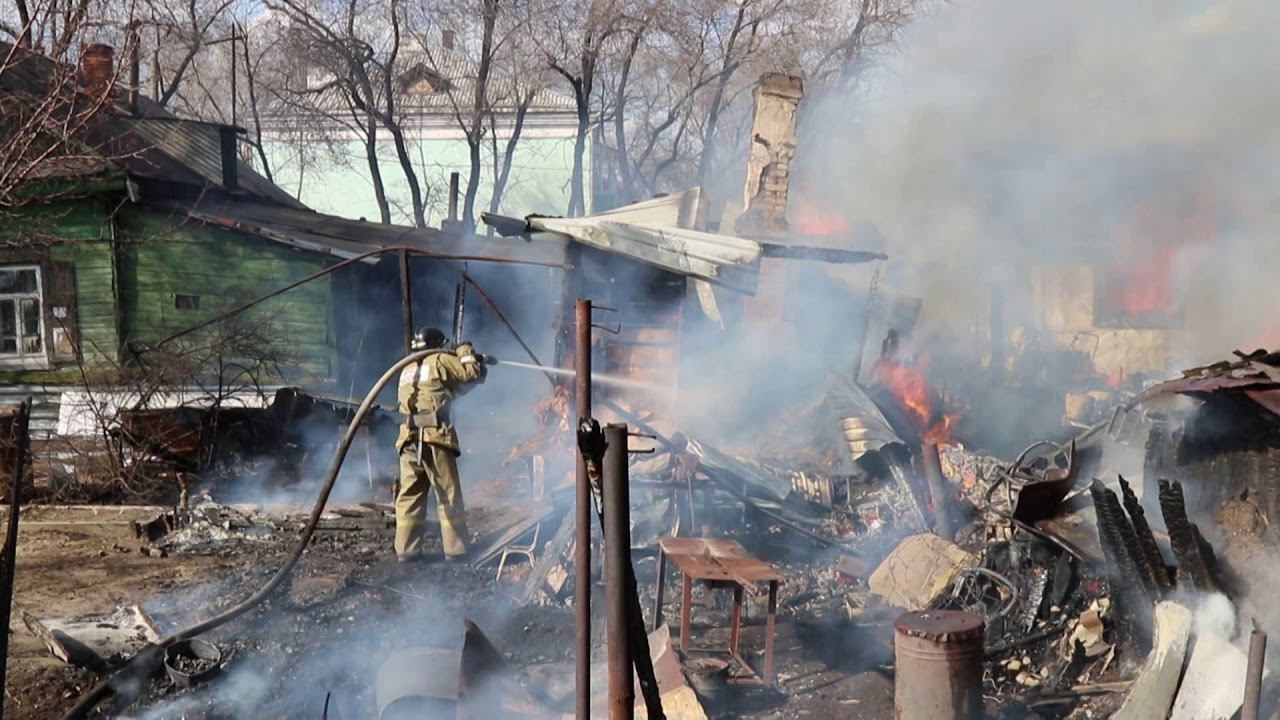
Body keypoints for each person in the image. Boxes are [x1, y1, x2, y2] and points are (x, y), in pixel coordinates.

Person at [394, 326, 486, 562]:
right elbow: (472, 373)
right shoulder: (440, 360)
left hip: (408, 437)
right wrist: (464, 351)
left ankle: (406, 550)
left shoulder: (407, 368)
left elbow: (447, 389)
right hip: (434, 436)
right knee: (447, 493)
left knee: (410, 495)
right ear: (437, 344)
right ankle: (456, 550)